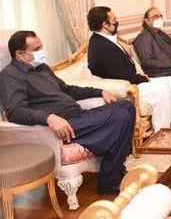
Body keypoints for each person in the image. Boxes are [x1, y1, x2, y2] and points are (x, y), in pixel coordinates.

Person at [0, 30, 135, 195]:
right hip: (62, 125)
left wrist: (99, 92)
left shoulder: (42, 68)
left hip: (78, 116)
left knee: (126, 107)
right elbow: (14, 111)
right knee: (120, 118)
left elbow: (67, 89)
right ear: (20, 54)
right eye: (37, 48)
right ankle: (110, 180)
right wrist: (48, 117)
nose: (42, 50)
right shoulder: (10, 76)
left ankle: (112, 170)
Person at [86, 6, 171, 132]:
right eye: (114, 19)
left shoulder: (107, 39)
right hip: (126, 86)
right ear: (105, 24)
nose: (116, 22)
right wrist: (142, 78)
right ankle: (162, 132)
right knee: (162, 89)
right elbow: (120, 74)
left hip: (133, 80)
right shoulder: (101, 46)